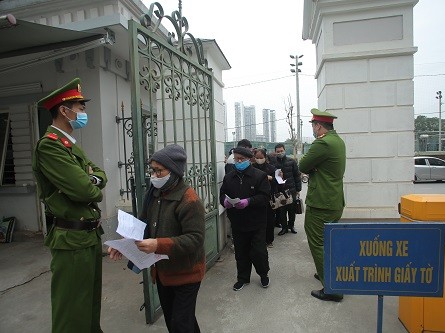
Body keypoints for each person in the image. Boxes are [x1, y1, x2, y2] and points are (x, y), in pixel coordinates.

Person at [32, 78, 108, 332]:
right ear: (64, 111)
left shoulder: (70, 146)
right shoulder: (50, 147)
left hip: (87, 236)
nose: (84, 113)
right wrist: (89, 181)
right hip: (71, 238)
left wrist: (90, 178)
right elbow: (85, 190)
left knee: (89, 306)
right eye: (80, 107)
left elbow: (100, 176)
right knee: (72, 312)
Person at [109, 144, 206, 333]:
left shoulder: (189, 199)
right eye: (152, 170)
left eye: (158, 171)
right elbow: (142, 225)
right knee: (176, 321)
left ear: (174, 171)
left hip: (186, 273)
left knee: (180, 324)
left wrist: (158, 244)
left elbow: (195, 239)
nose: (153, 175)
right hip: (163, 272)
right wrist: (122, 244)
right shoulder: (154, 194)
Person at [298, 108, 346, 302]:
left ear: (318, 126)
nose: (313, 129)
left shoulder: (323, 143)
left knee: (317, 242)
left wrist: (313, 167)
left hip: (321, 202)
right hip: (334, 201)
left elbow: (302, 166)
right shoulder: (338, 141)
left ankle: (331, 287)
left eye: (313, 126)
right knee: (328, 242)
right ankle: (327, 272)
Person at [220, 146, 271, 291]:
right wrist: (225, 202)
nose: (239, 161)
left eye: (242, 159)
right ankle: (243, 278)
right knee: (241, 252)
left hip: (257, 222)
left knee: (259, 251)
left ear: (249, 160)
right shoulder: (229, 177)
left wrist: (248, 201)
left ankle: (263, 274)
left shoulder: (259, 176)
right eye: (236, 159)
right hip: (237, 222)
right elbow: (222, 194)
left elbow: (265, 197)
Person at [271, 143, 302, 235]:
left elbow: (297, 176)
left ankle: (291, 226)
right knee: (282, 211)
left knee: (292, 210)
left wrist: (298, 189)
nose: (280, 153)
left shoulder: (292, 161)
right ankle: (284, 228)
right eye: (278, 151)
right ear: (275, 152)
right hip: (280, 191)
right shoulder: (273, 163)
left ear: (284, 150)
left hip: (291, 189)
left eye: (281, 151)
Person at [252, 148, 277, 247]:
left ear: (265, 157)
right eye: (257, 157)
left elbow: (278, 181)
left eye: (261, 157)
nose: (259, 159)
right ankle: (258, 239)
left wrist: (271, 178)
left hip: (269, 197)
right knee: (257, 220)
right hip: (256, 197)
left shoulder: (271, 168)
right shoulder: (252, 167)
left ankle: (269, 240)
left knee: (269, 220)